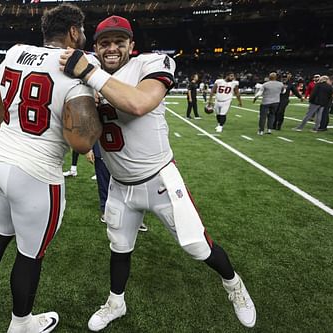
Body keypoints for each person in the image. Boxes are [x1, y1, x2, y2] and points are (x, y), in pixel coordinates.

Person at [60, 15, 256, 331]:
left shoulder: (150, 63)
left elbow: (139, 103)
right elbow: (78, 130)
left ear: (131, 45)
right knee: (119, 248)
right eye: (104, 42)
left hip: (160, 180)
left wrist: (89, 74)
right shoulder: (86, 76)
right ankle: (116, 303)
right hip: (120, 185)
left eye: (118, 42)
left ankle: (234, 285)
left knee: (197, 246)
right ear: (95, 46)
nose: (112, 48)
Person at [0, 4, 101, 333]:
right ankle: (21, 323)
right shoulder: (79, 64)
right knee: (29, 253)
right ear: (72, 32)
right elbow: (82, 142)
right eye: (80, 31)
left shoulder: (15, 53)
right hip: (36, 171)